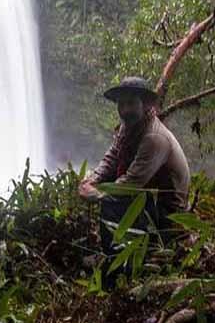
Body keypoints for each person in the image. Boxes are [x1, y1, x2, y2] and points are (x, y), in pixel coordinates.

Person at [78, 77, 190, 280]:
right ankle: (115, 253)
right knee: (107, 194)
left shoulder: (154, 138)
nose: (125, 109)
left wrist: (98, 194)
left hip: (166, 213)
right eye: (121, 104)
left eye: (131, 103)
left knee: (110, 202)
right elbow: (112, 157)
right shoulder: (129, 127)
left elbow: (131, 184)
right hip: (146, 197)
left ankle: (118, 263)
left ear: (145, 104)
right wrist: (92, 180)